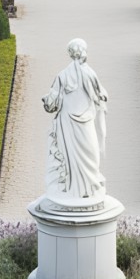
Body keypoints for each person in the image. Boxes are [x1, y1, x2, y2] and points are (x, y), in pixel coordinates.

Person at [41, 37, 108, 203]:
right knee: (91, 153)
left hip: (68, 122)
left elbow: (51, 104)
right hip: (81, 122)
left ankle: (76, 189)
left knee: (71, 155)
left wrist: (46, 100)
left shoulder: (63, 75)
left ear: (70, 53)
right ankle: (86, 189)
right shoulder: (89, 73)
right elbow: (102, 95)